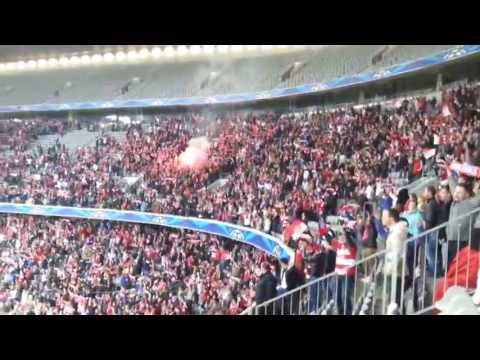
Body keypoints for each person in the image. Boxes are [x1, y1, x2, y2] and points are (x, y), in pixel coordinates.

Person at [446, 177, 480, 269]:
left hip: (461, 241)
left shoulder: (471, 203)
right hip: (451, 240)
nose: (455, 194)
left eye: (459, 192)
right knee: (450, 266)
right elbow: (453, 187)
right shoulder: (455, 202)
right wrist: (449, 175)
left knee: (459, 267)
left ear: (467, 195)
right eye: (455, 192)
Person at [326, 228, 357, 315]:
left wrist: (347, 235)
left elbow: (351, 242)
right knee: (338, 297)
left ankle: (347, 313)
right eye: (339, 235)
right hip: (338, 275)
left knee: (345, 296)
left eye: (342, 235)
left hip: (347, 276)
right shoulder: (339, 245)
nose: (340, 237)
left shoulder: (352, 247)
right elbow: (329, 238)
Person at [382, 208, 408, 309]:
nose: (382, 219)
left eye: (384, 216)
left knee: (394, 303)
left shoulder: (396, 233)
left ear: (391, 218)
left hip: (395, 273)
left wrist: (389, 269)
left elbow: (397, 254)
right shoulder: (395, 231)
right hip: (394, 271)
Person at [423, 186, 442, 277]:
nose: (424, 194)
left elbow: (429, 219)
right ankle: (436, 271)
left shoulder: (431, 204)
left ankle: (434, 272)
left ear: (430, 193)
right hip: (434, 230)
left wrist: (425, 224)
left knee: (431, 252)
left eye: (425, 192)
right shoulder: (434, 203)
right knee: (434, 252)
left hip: (432, 231)